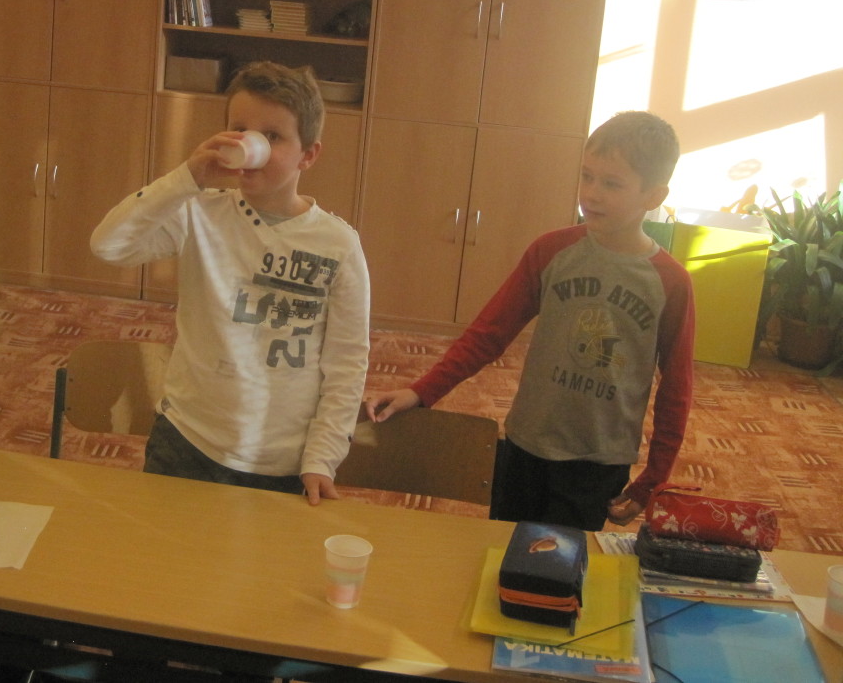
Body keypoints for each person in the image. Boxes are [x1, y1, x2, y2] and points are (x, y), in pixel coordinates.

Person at [365, 110, 695, 531]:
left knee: (563, 563)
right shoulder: (551, 251)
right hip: (526, 444)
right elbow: (488, 335)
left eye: (611, 184)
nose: (591, 194)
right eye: (586, 176)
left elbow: (677, 387)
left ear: (654, 195)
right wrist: (421, 391)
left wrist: (654, 478)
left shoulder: (670, 282)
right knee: (505, 551)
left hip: (597, 461)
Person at [90, 61, 370, 505]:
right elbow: (109, 245)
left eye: (272, 136)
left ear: (308, 155)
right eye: (239, 129)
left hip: (281, 460)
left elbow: (347, 362)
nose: (250, 143)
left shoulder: (337, 244)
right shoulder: (199, 212)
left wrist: (322, 456)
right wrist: (186, 180)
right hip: (187, 442)